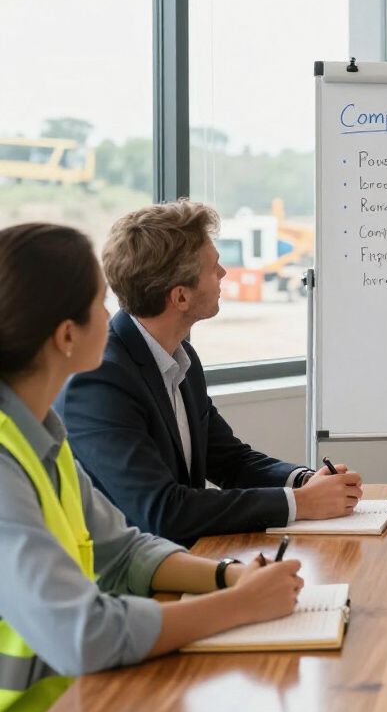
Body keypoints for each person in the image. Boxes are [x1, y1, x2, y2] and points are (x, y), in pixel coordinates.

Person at [0, 223, 306, 712]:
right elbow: (86, 634)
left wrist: (230, 577)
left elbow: (122, 552)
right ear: (66, 335)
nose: (113, 313)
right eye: (100, 302)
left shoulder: (39, 435)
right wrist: (239, 606)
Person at [57, 201, 361, 547]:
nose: (223, 274)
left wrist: (303, 481)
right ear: (181, 297)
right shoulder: (99, 381)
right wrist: (301, 504)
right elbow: (164, 512)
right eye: (213, 266)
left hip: (180, 560)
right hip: (127, 583)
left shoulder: (181, 357)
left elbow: (230, 461)